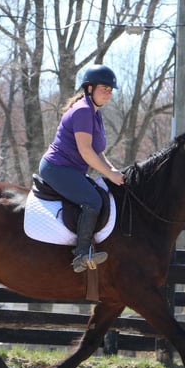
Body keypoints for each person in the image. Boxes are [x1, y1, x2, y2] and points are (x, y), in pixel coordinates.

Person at [39, 64, 125, 273]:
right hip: (57, 168)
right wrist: (109, 174)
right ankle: (81, 254)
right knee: (93, 200)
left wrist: (113, 170)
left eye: (110, 90)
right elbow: (86, 152)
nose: (108, 93)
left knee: (100, 194)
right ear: (89, 88)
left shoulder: (94, 113)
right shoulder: (84, 111)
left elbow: (98, 151)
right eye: (104, 88)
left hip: (71, 170)